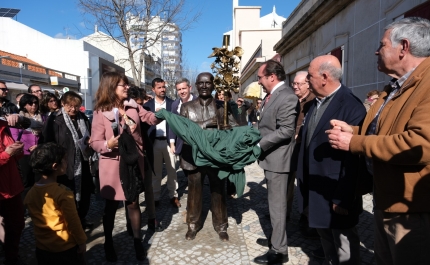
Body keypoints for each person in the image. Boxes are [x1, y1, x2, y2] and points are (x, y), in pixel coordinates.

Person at [327, 17, 430, 265]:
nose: (376, 50)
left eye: (382, 45)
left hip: (411, 210)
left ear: (403, 47)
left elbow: (420, 144)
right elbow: (382, 130)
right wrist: (353, 131)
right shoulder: (396, 86)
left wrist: (354, 143)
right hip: (386, 200)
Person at [296, 55, 366, 265]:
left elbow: (354, 160)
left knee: (344, 246)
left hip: (335, 193)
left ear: (324, 77)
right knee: (326, 242)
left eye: (310, 75)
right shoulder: (314, 104)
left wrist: (343, 198)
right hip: (316, 189)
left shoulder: (351, 106)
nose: (307, 80)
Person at [90, 71, 160, 262]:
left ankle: (138, 242)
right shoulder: (99, 112)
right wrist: (107, 145)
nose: (127, 87)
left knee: (133, 202)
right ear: (111, 87)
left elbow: (151, 118)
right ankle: (109, 243)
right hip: (112, 165)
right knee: (111, 207)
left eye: (127, 84)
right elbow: (94, 142)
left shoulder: (133, 106)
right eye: (123, 85)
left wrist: (164, 113)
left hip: (133, 162)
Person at [180, 72, 238, 241]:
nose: (204, 86)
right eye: (201, 83)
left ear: (214, 85)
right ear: (196, 85)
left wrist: (229, 130)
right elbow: (183, 131)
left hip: (215, 157)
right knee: (194, 192)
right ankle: (193, 224)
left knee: (218, 191)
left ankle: (221, 225)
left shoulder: (222, 107)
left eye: (208, 83)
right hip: (194, 156)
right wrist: (205, 124)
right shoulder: (187, 107)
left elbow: (235, 127)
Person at [254, 60, 298, 264]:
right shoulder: (271, 96)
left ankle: (280, 251)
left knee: (278, 207)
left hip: (279, 161)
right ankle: (276, 239)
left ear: (272, 76)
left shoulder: (287, 97)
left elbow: (287, 130)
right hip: (270, 159)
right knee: (274, 205)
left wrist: (260, 145)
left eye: (260, 78)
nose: (259, 82)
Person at [24, 143, 87, 265]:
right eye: (64, 160)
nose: (66, 162)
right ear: (55, 166)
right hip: (65, 247)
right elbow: (73, 222)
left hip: (42, 248)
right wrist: (81, 241)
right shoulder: (63, 193)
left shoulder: (31, 192)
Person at [42, 91, 94, 231]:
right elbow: (48, 142)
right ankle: (69, 222)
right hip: (64, 164)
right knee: (67, 194)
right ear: (63, 104)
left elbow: (90, 134)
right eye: (69, 106)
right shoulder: (54, 119)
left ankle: (81, 218)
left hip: (83, 161)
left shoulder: (82, 117)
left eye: (76, 106)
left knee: (85, 193)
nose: (73, 109)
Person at [128, 86, 163, 232]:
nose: (139, 107)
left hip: (146, 152)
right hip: (130, 155)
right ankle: (131, 222)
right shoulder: (125, 112)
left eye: (141, 103)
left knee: (148, 188)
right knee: (130, 191)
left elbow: (150, 118)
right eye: (137, 103)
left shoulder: (145, 110)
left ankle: (151, 218)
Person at [144, 78, 180, 208]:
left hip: (169, 142)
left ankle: (173, 196)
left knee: (172, 171)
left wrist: (174, 142)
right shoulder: (147, 106)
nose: (162, 89)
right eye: (159, 87)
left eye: (163, 87)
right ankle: (156, 197)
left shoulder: (172, 104)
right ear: (153, 89)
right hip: (154, 143)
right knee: (156, 172)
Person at [0, 112, 30, 265]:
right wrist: (6, 154)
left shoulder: (3, 126)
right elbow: (5, 155)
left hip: (12, 187)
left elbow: (30, 122)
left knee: (16, 224)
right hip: (3, 189)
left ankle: (12, 257)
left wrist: (17, 151)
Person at [289, 71, 317, 234]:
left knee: (306, 183)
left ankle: (308, 220)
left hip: (305, 148)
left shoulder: (313, 101)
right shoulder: (293, 100)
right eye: (294, 83)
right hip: (292, 147)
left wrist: (300, 132)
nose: (295, 86)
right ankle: (297, 214)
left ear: (308, 84)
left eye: (299, 84)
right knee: (296, 182)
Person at [10, 94, 45, 197]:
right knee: (26, 181)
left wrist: (39, 146)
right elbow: (15, 136)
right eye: (30, 103)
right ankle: (25, 205)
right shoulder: (18, 118)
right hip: (24, 153)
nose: (34, 105)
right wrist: (28, 147)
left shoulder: (43, 117)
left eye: (35, 103)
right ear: (24, 105)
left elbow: (46, 135)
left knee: (39, 179)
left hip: (39, 152)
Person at [169, 78, 195, 157]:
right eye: (179, 89)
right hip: (182, 145)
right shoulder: (175, 105)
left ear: (190, 88)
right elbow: (172, 124)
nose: (182, 91)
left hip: (197, 144)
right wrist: (172, 143)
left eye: (184, 88)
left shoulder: (198, 101)